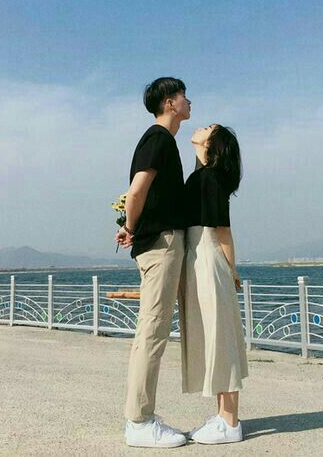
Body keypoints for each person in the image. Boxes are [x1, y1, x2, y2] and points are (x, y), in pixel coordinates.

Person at [116, 77, 191, 448]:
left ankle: (140, 417)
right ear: (169, 102)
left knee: (150, 331)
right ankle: (140, 422)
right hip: (161, 244)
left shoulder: (162, 140)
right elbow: (136, 192)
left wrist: (130, 227)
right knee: (153, 332)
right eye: (183, 95)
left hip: (159, 243)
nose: (189, 101)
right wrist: (131, 227)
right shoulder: (158, 139)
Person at [180, 123, 248, 444]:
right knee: (213, 336)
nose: (201, 126)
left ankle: (230, 421)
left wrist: (231, 271)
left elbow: (223, 232)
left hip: (209, 258)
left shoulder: (210, 178)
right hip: (199, 258)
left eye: (209, 128)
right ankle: (223, 415)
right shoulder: (202, 176)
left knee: (221, 336)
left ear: (213, 144)